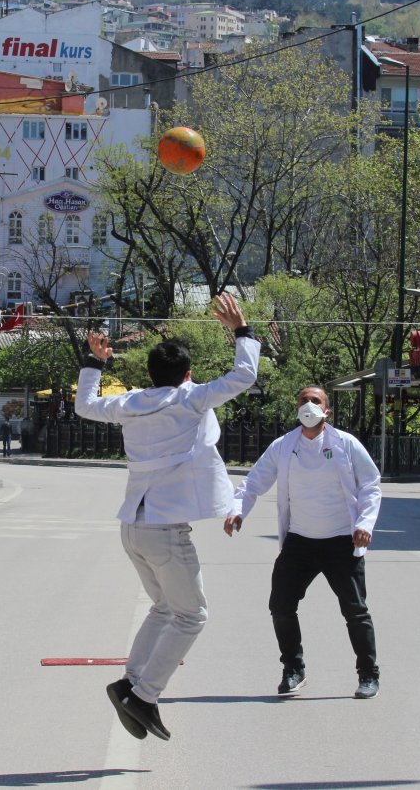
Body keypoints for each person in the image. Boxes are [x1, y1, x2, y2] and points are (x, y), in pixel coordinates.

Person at [75, 292, 260, 742]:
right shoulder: (191, 400)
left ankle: (130, 683)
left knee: (163, 608)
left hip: (132, 528)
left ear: (150, 374)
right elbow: (244, 375)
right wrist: (242, 330)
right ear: (187, 375)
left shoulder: (130, 403)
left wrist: (94, 363)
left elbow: (84, 405)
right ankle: (144, 695)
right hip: (164, 532)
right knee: (191, 615)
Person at [225, 385, 382, 700]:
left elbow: (370, 485)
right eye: (303, 400)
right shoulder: (284, 446)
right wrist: (237, 510)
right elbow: (254, 480)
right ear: (296, 407)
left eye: (316, 401)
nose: (308, 405)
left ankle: (368, 674)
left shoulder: (346, 444)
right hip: (299, 542)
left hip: (341, 542)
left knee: (355, 611)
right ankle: (293, 670)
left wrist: (364, 523)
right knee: (281, 606)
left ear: (327, 411)